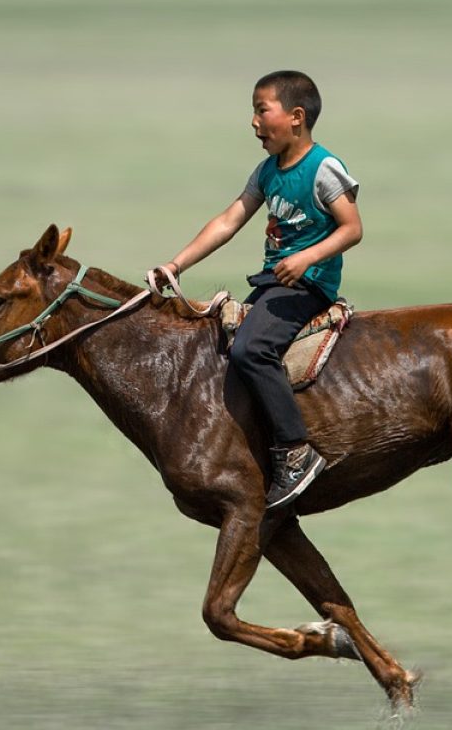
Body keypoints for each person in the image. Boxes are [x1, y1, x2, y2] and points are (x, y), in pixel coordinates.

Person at [154, 70, 362, 509]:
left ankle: (295, 450)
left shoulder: (323, 168)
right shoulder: (267, 172)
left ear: (296, 117)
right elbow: (229, 221)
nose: (253, 122)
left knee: (252, 350)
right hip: (273, 285)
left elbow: (352, 228)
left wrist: (307, 258)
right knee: (221, 348)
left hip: (309, 286)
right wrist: (176, 265)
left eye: (261, 110)